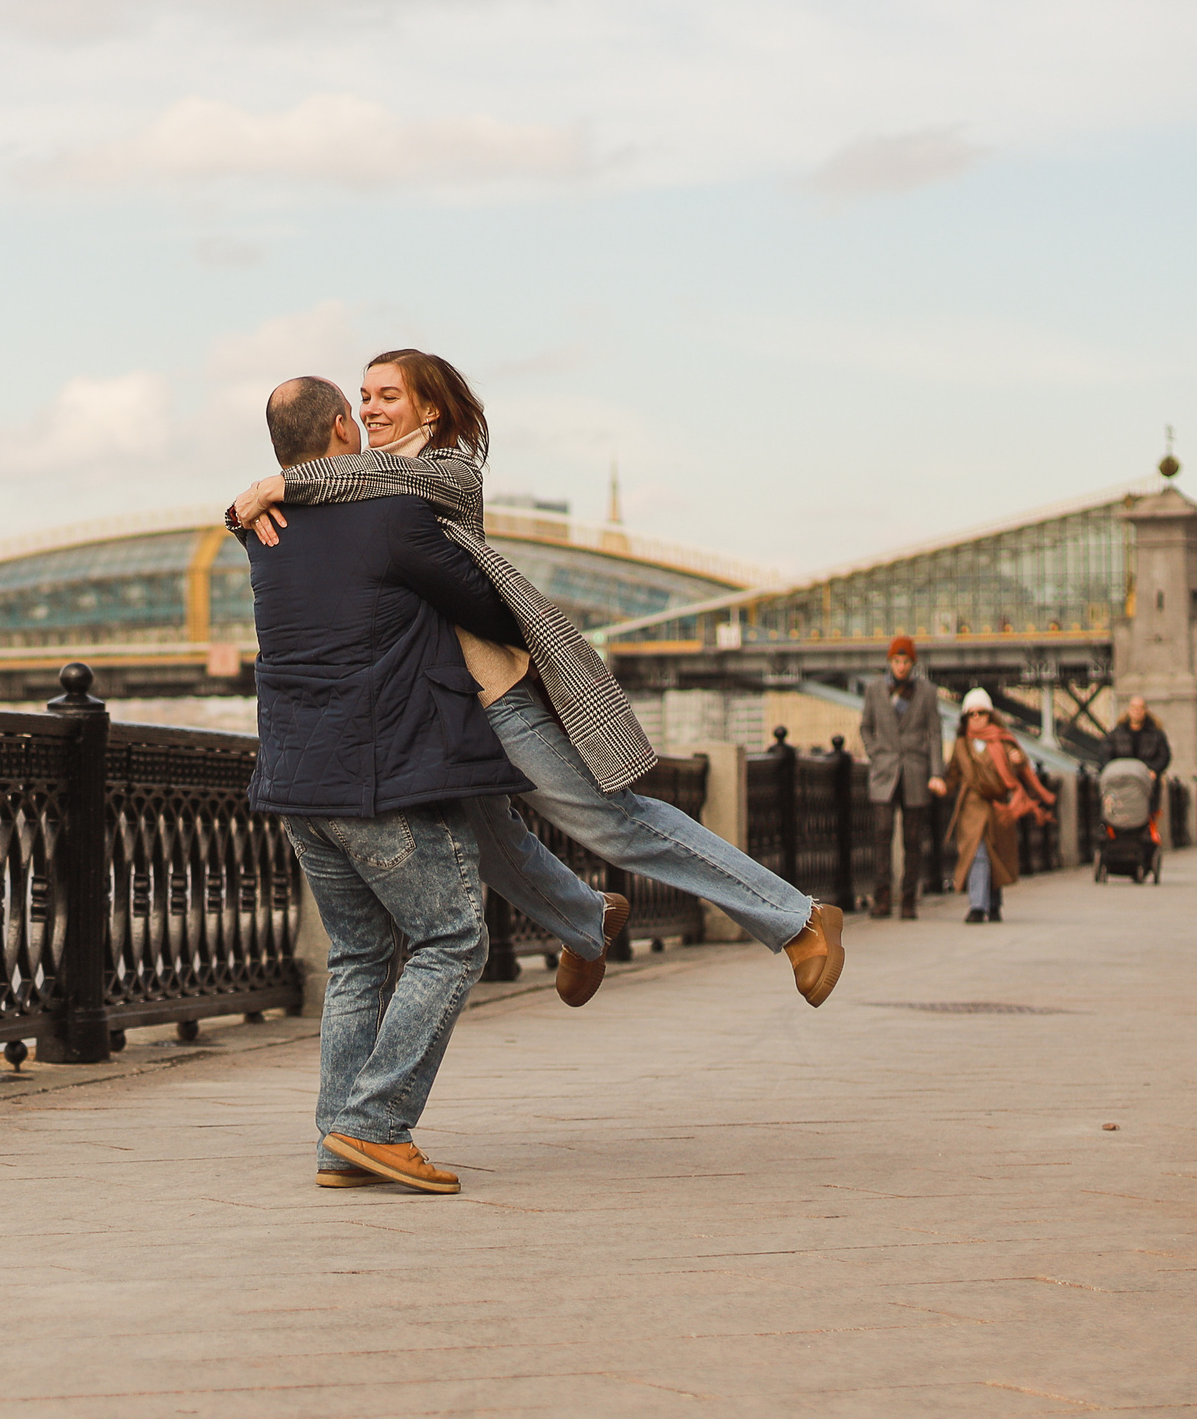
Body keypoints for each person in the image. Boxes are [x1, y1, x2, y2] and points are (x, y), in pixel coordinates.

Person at [230, 348, 843, 1008]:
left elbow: (358, 478)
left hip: (492, 693)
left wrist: (276, 485)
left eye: (387, 396)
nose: (371, 410)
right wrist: (247, 508)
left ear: (430, 409)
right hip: (429, 706)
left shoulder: (446, 471)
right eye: (364, 397)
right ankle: (588, 920)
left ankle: (799, 919)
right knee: (491, 845)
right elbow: (340, 494)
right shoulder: (359, 482)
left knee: (614, 823)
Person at [237, 376, 613, 1196]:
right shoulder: (393, 516)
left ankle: (340, 1141)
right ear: (343, 427)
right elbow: (488, 604)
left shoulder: (263, 532)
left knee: (361, 956)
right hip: (382, 776)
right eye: (359, 410)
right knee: (451, 939)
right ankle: (376, 1123)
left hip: (296, 783)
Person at [928, 690, 1055, 923]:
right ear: (965, 717)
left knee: (996, 855)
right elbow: (953, 774)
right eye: (971, 714)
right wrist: (942, 786)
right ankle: (978, 905)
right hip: (972, 806)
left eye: (981, 713)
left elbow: (1018, 765)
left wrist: (1018, 761)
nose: (976, 717)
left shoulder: (1002, 740)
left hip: (999, 807)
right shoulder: (960, 744)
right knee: (978, 854)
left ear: (990, 715)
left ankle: (994, 904)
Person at [859, 635, 940, 920]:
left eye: (906, 662)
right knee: (881, 835)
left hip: (916, 772)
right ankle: (882, 898)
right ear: (890, 662)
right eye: (897, 661)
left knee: (913, 839)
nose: (902, 667)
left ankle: (908, 900)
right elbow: (865, 727)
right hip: (884, 773)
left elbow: (935, 733)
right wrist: (876, 753)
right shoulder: (874, 690)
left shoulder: (927, 692)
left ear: (913, 663)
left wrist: (937, 772)